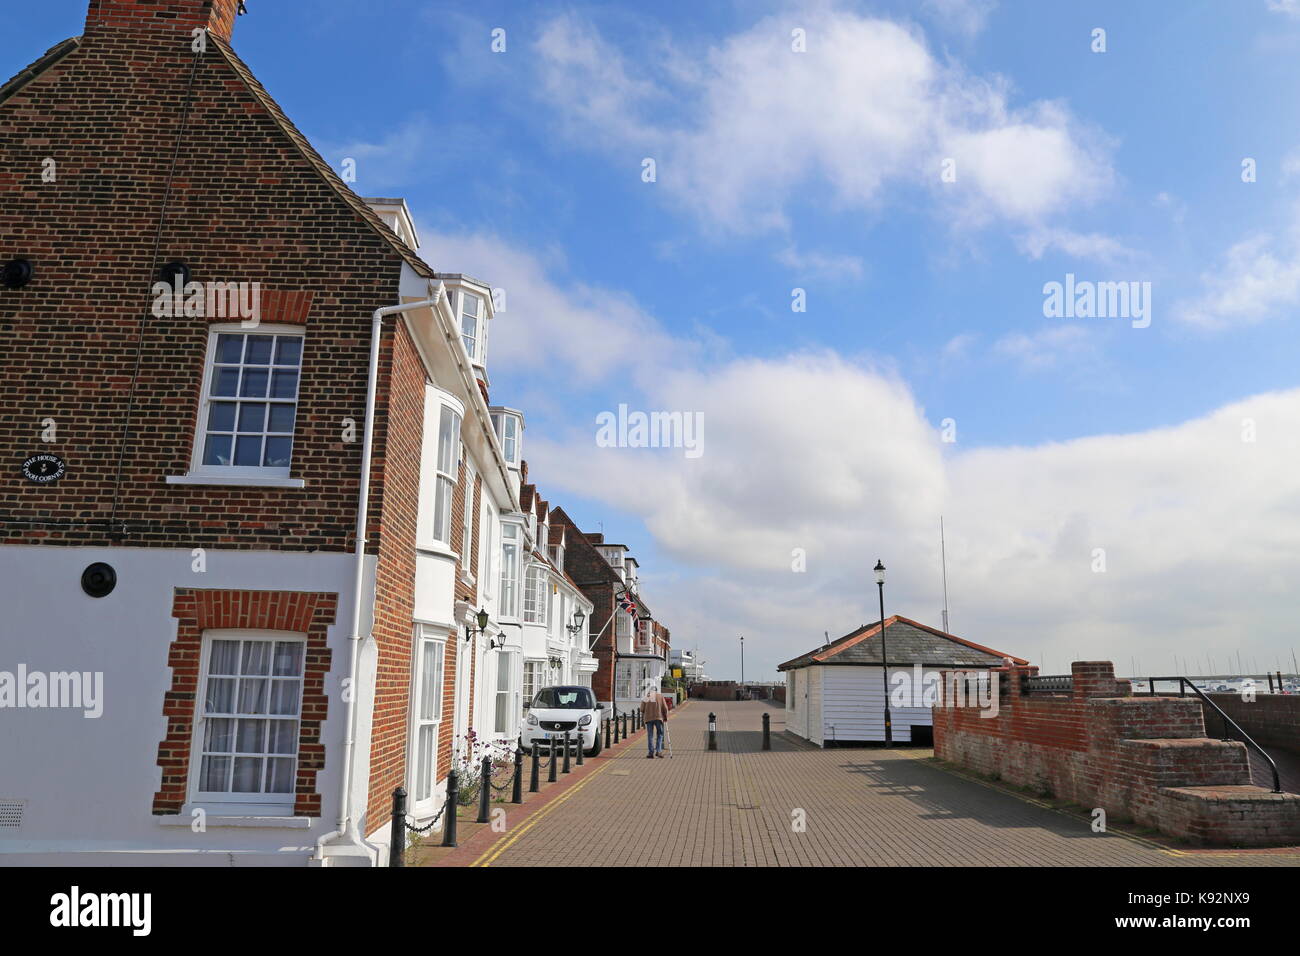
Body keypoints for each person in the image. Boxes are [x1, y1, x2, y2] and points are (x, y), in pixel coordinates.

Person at [641, 687, 670, 758]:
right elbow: (665, 708)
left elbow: (642, 709)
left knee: (650, 735)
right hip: (658, 718)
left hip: (648, 718)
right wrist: (665, 717)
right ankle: (658, 751)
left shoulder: (646, 697)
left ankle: (651, 752)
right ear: (656, 691)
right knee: (660, 734)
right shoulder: (660, 696)